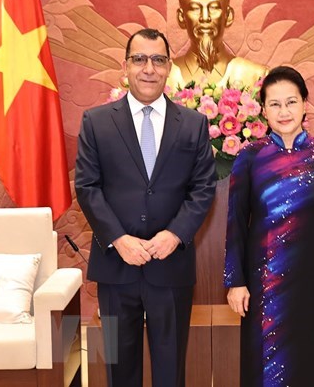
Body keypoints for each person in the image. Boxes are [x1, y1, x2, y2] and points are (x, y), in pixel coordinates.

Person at [75, 28, 217, 387]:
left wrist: (176, 234)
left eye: (157, 60)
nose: (148, 69)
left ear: (169, 67)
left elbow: (203, 187)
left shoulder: (194, 124)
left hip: (170, 265)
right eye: (139, 59)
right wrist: (119, 239)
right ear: (125, 66)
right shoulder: (96, 122)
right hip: (115, 268)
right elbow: (87, 187)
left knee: (171, 371)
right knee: (118, 371)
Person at [224, 66, 314, 386]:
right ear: (263, 110)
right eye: (275, 104)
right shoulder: (249, 158)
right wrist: (235, 281)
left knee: (313, 357)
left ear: (305, 104)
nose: (284, 111)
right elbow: (236, 223)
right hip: (264, 281)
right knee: (266, 363)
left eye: (291, 102)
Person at [168, 0, 268, 89]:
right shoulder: (165, 77)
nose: (205, 17)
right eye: (195, 8)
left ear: (228, 16)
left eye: (214, 8)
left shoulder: (256, 77)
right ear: (181, 17)